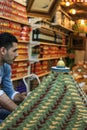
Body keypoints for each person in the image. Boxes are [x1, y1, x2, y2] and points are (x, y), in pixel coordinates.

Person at [0, 32, 26, 123]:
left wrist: (20, 97)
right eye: (14, 51)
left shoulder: (6, 66)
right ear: (3, 51)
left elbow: (9, 91)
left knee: (16, 120)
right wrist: (22, 112)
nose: (17, 55)